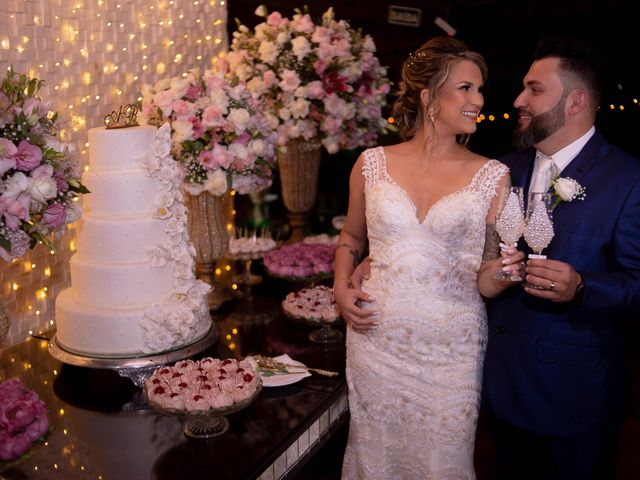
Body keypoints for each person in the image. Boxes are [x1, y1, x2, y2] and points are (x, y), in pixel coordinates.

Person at [333, 36, 524, 479]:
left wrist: (506, 273)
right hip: (376, 339)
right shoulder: (370, 163)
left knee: (444, 463)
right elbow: (350, 237)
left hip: (451, 352)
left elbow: (486, 277)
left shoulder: (493, 176)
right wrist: (341, 288)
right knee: (376, 458)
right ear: (428, 94)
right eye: (466, 88)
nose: (478, 100)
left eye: (480, 90)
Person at [481, 35, 640, 480]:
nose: (518, 100)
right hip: (501, 388)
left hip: (577, 401)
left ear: (576, 101)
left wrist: (584, 287)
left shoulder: (627, 179)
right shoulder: (501, 170)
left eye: (534, 89)